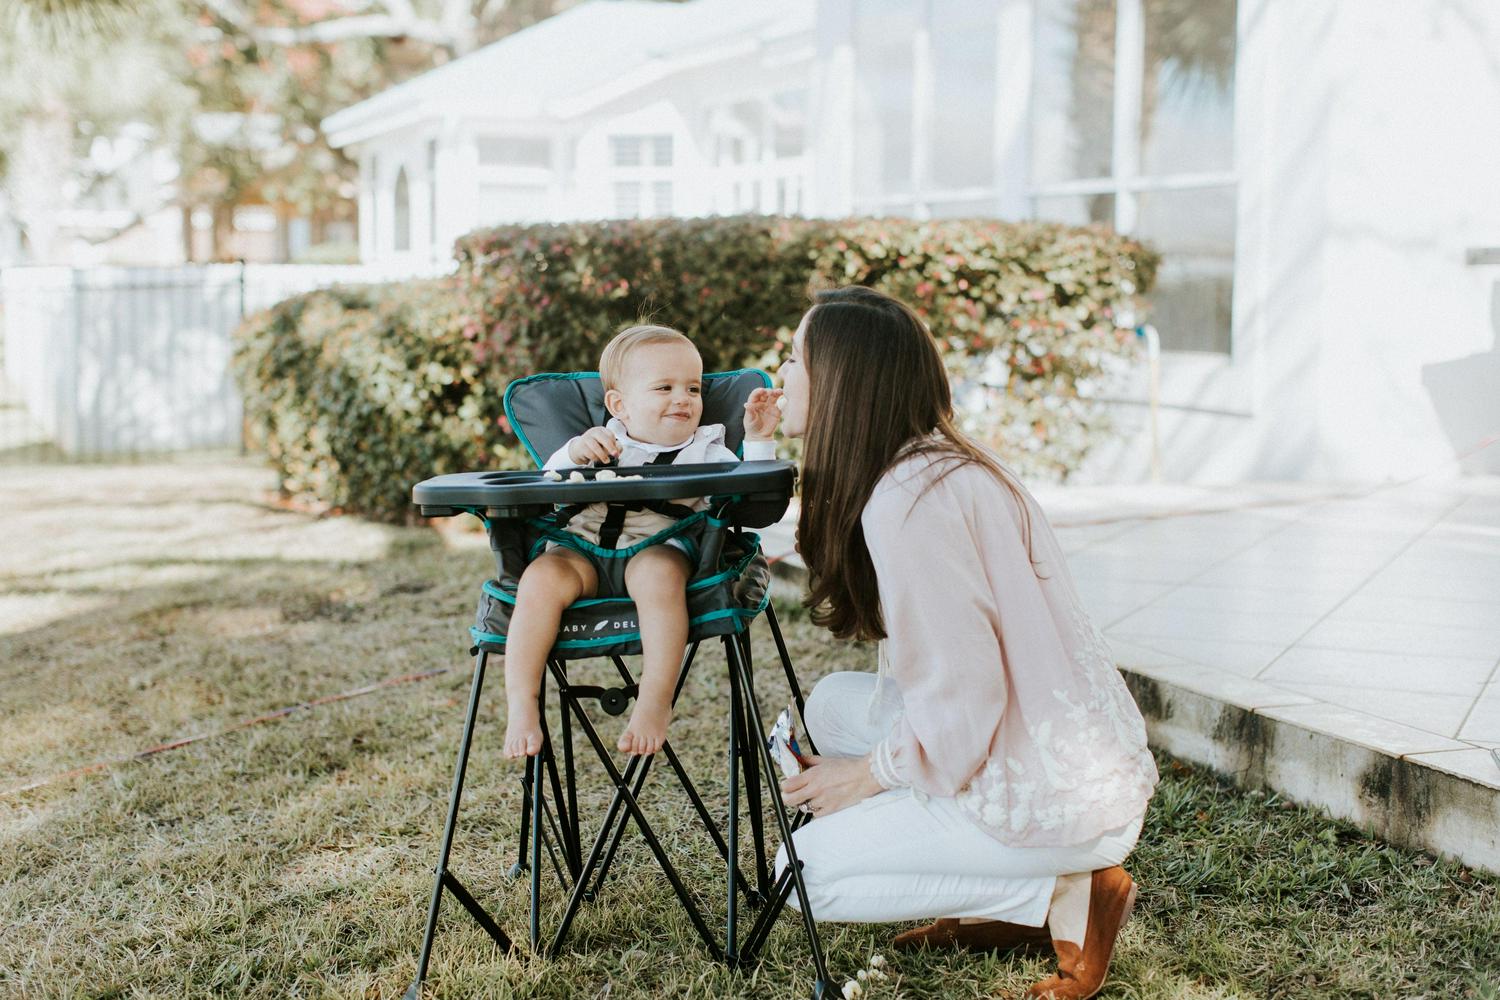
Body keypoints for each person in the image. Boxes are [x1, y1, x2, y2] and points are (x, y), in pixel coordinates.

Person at [770, 286, 1159, 1000]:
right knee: (831, 705)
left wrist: (869, 778)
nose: (779, 377)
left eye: (792, 360)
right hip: (1061, 749)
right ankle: (1005, 879)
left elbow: (967, 696)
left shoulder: (908, 504)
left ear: (838, 382)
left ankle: (1057, 900)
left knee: (801, 871)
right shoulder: (941, 464)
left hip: (1053, 790)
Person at [502, 325, 782, 759]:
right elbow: (549, 482)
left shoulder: (708, 449)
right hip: (583, 553)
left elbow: (755, 504)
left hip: (660, 548)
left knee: (656, 573)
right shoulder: (598, 445)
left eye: (692, 387)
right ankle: (522, 703)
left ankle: (654, 698)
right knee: (538, 579)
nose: (683, 398)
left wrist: (760, 440)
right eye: (664, 387)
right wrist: (575, 452)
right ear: (619, 405)